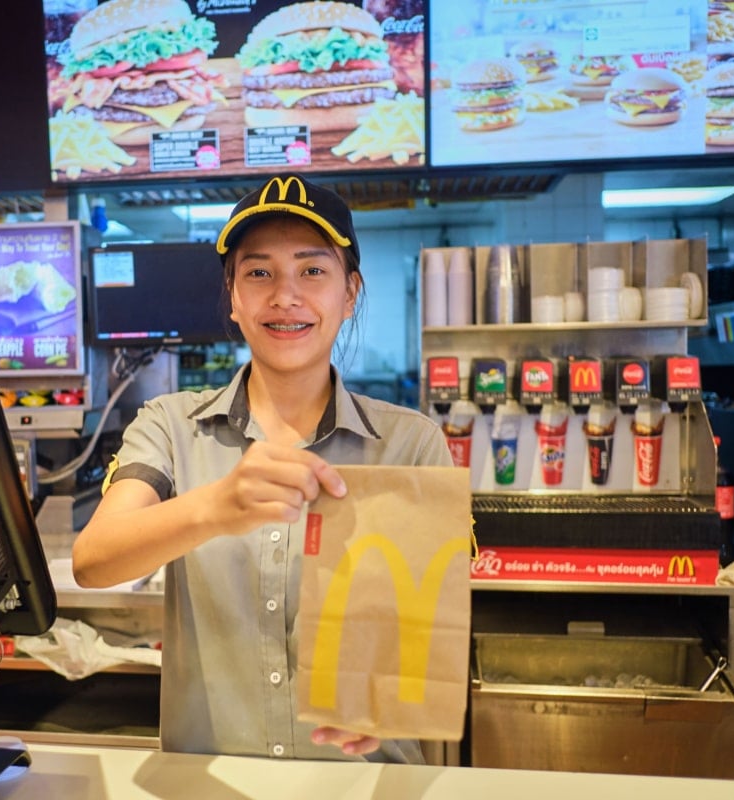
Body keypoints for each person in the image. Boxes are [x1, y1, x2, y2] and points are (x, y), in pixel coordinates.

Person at [72, 172, 452, 763]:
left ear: (350, 293)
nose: (285, 295)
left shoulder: (411, 444)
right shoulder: (169, 425)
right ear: (232, 296)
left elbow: (432, 626)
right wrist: (213, 507)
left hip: (361, 782)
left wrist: (397, 696)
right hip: (210, 782)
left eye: (312, 270)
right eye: (258, 273)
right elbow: (95, 561)